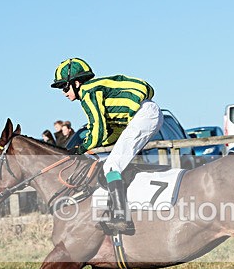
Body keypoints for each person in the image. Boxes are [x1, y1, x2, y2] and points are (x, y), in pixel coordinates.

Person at [51, 57, 162, 234]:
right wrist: (89, 146)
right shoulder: (92, 89)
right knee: (113, 163)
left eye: (64, 87)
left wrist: (80, 149)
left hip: (143, 115)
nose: (63, 92)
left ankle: (121, 219)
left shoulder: (88, 92)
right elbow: (107, 132)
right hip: (143, 114)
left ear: (77, 83)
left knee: (112, 165)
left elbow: (98, 128)